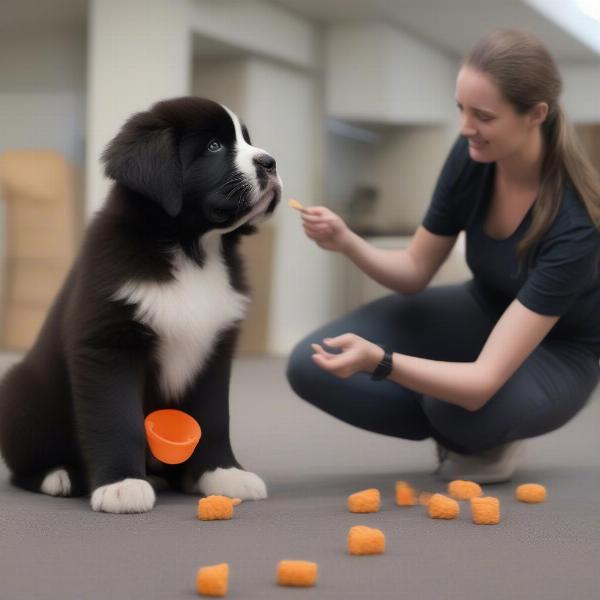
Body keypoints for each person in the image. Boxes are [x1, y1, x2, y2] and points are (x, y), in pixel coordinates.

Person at [286, 28, 600, 483]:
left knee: (459, 406)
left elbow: (481, 382)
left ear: (535, 114)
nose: (466, 127)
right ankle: (465, 418)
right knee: (309, 364)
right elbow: (414, 271)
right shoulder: (471, 155)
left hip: (562, 350)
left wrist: (383, 363)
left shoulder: (575, 224)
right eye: (461, 108)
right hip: (482, 306)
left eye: (484, 116)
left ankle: (481, 428)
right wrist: (347, 241)